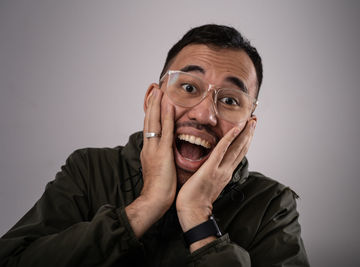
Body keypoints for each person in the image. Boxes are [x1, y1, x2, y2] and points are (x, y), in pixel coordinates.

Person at [0, 24, 309, 266]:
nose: (204, 114)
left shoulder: (271, 204)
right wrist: (146, 205)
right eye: (188, 87)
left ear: (249, 127)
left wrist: (199, 216)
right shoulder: (90, 170)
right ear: (152, 99)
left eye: (230, 100)